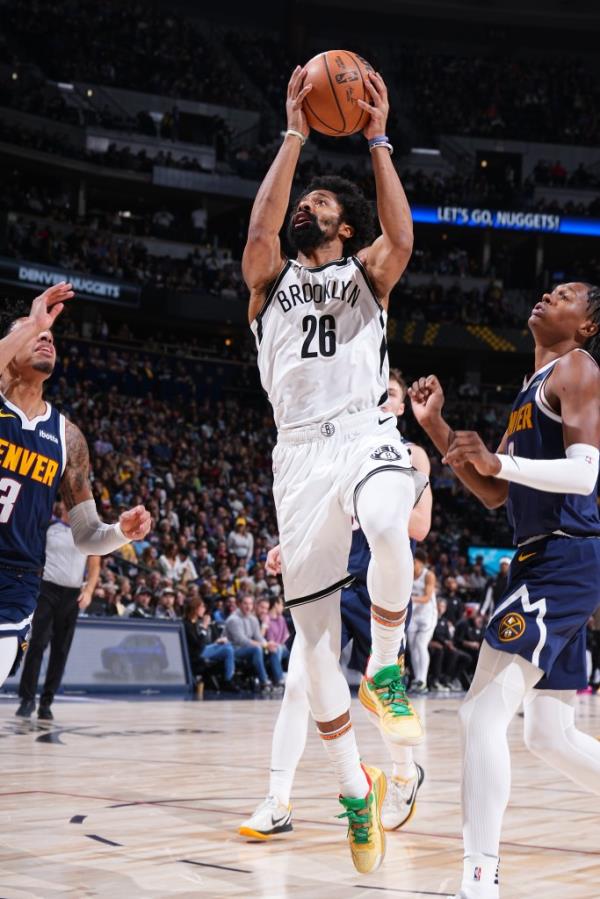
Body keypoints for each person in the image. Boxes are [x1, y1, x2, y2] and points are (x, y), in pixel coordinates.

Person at [243, 63, 422, 873]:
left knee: (389, 518)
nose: (309, 206)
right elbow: (257, 233)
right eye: (304, 202)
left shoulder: (367, 276)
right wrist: (293, 132)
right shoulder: (270, 283)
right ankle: (354, 790)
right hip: (298, 454)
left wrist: (377, 139)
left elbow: (404, 236)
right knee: (311, 647)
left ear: (346, 228)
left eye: (323, 202)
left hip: (361, 430)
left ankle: (385, 669)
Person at [409, 281, 600, 899]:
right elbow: (497, 493)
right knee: (547, 733)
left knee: (480, 713)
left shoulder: (577, 368)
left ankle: (479, 877)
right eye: (548, 288)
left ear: (586, 325)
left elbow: (584, 473)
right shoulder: (529, 389)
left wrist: (500, 462)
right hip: (546, 560)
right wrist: (438, 428)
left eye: (566, 293)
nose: (547, 293)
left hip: (563, 558)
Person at [239, 370, 432, 839]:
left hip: (377, 583)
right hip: (334, 577)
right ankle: (277, 799)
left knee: (381, 697)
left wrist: (375, 502)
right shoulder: (333, 452)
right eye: (372, 393)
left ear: (402, 407)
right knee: (298, 685)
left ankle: (405, 776)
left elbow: (420, 528)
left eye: (388, 396)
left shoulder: (410, 454)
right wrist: (294, 545)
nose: (379, 401)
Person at [0, 284, 151, 687]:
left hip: (15, 581)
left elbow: (86, 536)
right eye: (34, 333)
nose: (45, 335)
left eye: (49, 334)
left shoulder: (67, 438)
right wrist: (32, 321)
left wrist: (120, 532)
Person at [15, 500, 100, 720]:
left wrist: (89, 590)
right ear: (62, 507)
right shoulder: (50, 528)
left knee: (60, 651)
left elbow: (94, 564)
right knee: (38, 644)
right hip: (48, 589)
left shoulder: (86, 533)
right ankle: (27, 699)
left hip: (72, 595)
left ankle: (47, 702)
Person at [183, 597, 238, 691]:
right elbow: (197, 645)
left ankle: (229, 678)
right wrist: (204, 626)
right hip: (196, 653)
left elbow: (201, 642)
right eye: (202, 607)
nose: (204, 609)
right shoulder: (187, 624)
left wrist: (215, 642)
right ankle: (228, 680)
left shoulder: (194, 622)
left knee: (227, 646)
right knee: (228, 649)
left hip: (202, 649)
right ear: (195, 608)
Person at [224, 594, 275, 691]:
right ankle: (264, 681)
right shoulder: (233, 619)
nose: (248, 606)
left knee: (274, 649)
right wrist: (264, 645)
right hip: (232, 649)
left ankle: (277, 680)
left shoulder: (253, 619)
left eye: (250, 604)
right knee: (257, 649)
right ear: (239, 604)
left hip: (245, 649)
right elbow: (242, 641)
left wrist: (267, 644)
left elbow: (259, 637)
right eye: (245, 604)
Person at [406, 549, 437, 694]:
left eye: (414, 562)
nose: (412, 564)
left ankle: (423, 681)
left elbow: (426, 597)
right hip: (413, 614)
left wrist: (409, 600)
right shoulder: (407, 574)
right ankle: (416, 679)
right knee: (412, 647)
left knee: (420, 644)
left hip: (427, 615)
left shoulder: (428, 575)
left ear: (420, 562)